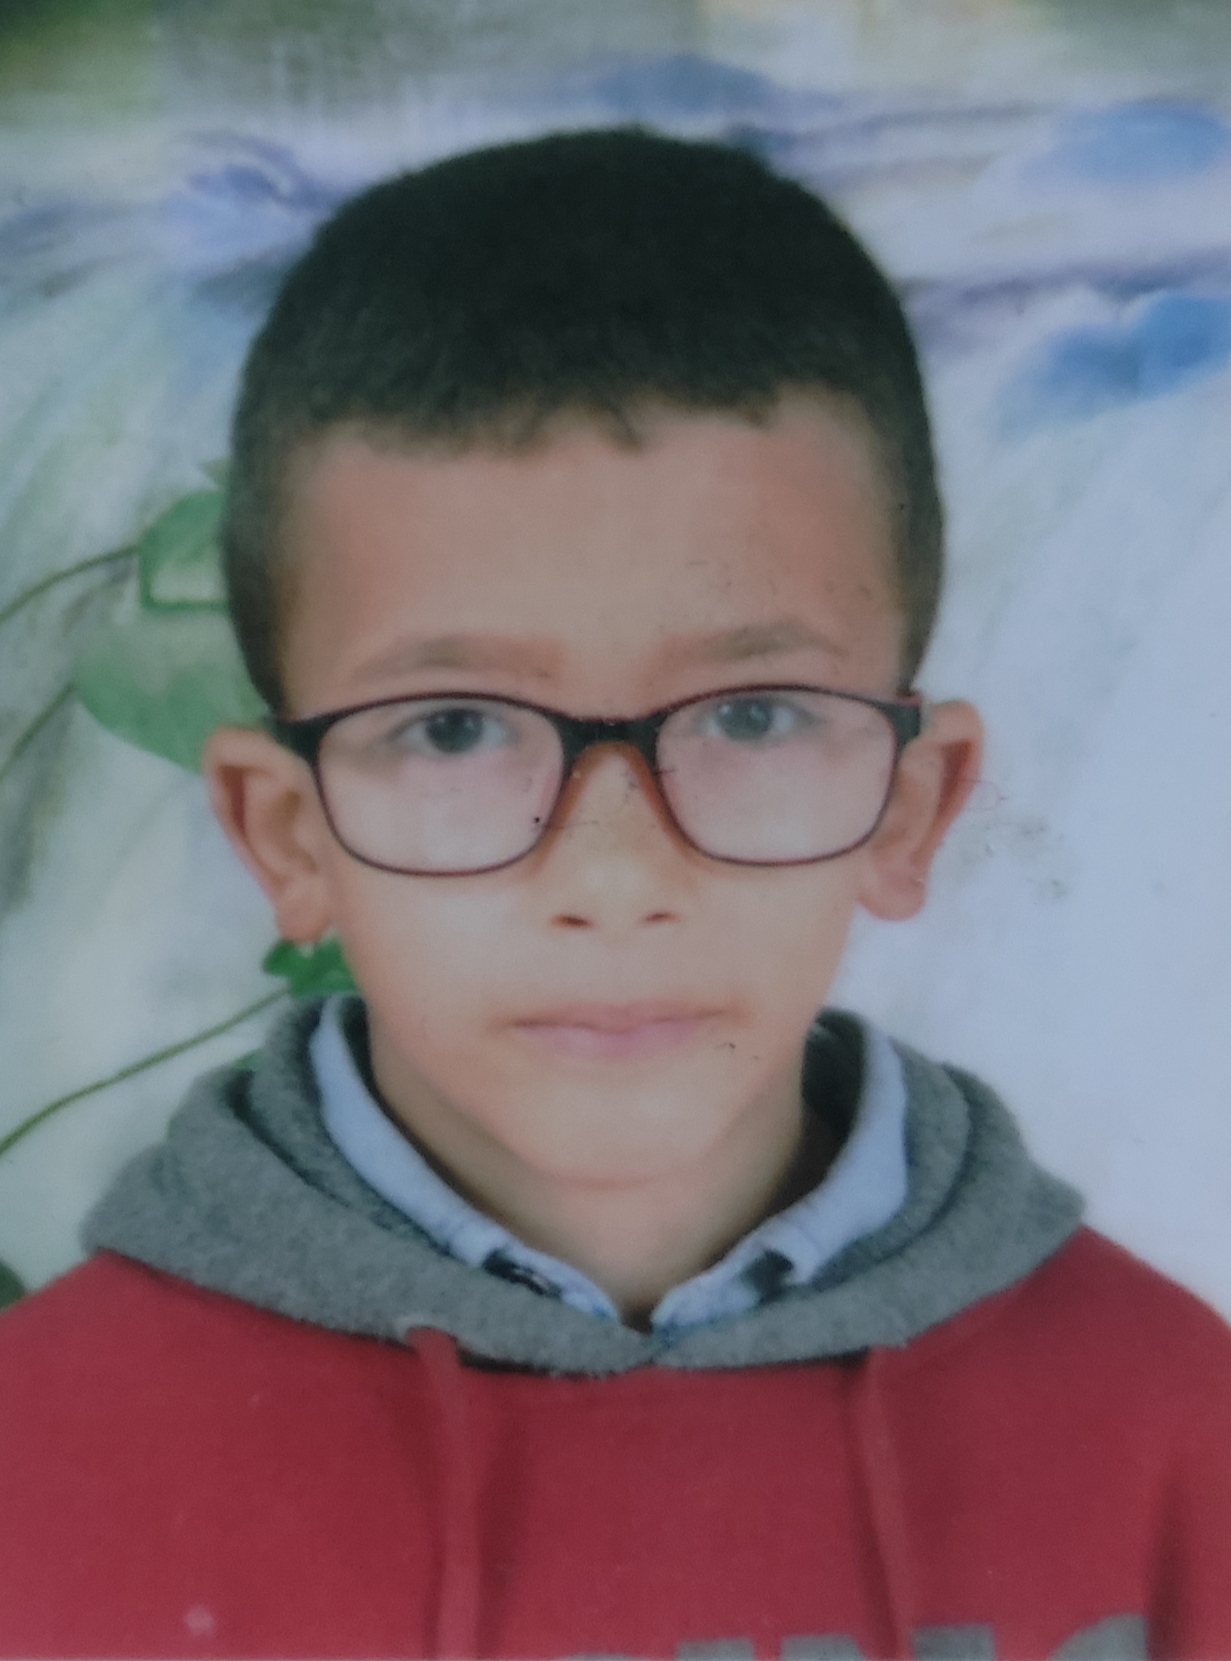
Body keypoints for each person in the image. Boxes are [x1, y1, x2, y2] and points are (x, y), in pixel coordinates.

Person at [0, 127, 1228, 1661]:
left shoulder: (1180, 1436)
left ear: (911, 808)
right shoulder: (36, 1472)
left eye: (752, 715)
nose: (615, 875)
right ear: (288, 835)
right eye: (455, 727)